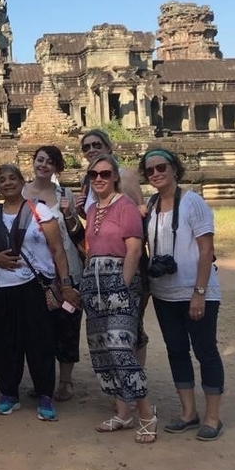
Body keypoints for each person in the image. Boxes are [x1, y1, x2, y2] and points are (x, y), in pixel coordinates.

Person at [0, 163, 80, 420]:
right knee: (4, 341)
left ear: (22, 182)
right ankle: (9, 393)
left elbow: (57, 250)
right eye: (2, 180)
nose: (8, 183)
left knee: (40, 341)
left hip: (36, 286)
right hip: (1, 287)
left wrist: (65, 283)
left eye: (13, 178)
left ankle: (44, 393)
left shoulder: (39, 210)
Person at [139, 148, 225, 441]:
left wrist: (199, 292)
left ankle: (213, 416)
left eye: (161, 167)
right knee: (176, 350)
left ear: (175, 169)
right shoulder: (150, 205)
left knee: (205, 351)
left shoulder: (192, 202)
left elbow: (206, 249)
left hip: (196, 290)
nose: (156, 174)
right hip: (164, 293)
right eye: (150, 171)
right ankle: (189, 412)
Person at [82, 153, 157, 444]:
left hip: (120, 280)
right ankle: (123, 413)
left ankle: (147, 414)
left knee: (121, 349)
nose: (98, 179)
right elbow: (91, 248)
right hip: (94, 281)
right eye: (93, 175)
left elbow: (135, 251)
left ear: (115, 177)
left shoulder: (125, 206)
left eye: (104, 174)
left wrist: (123, 287)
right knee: (102, 350)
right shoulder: (92, 211)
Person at [75, 129, 151, 369]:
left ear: (109, 146)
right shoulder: (88, 179)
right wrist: (78, 211)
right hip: (98, 264)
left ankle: (135, 382)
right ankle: (120, 384)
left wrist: (127, 277)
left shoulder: (125, 176)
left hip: (127, 258)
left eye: (96, 144)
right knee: (106, 327)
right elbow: (97, 219)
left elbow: (140, 212)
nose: (91, 150)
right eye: (86, 147)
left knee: (130, 324)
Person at [23, 146, 84, 402]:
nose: (44, 165)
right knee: (39, 329)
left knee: (68, 324)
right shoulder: (21, 192)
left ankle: (66, 380)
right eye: (40, 160)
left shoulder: (65, 193)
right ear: (33, 162)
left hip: (67, 268)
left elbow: (78, 233)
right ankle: (43, 379)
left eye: (50, 162)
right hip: (35, 272)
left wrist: (70, 212)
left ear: (57, 168)